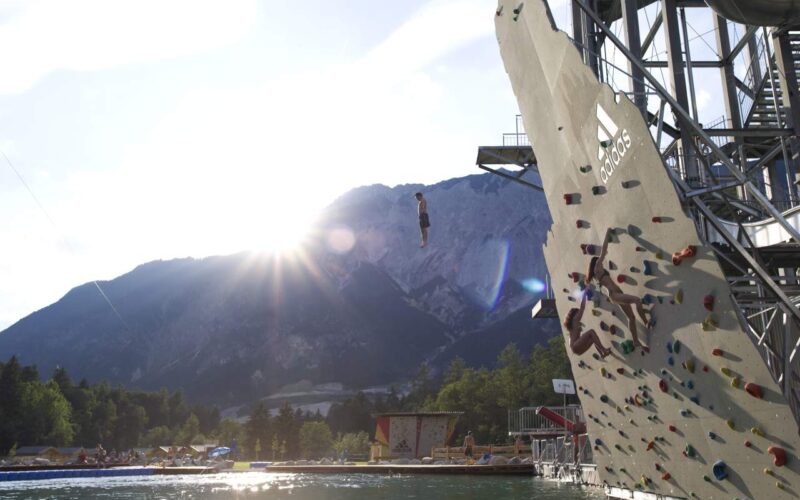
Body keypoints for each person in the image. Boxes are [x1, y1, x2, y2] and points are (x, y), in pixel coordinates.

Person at [586, 227, 653, 351]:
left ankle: (636, 342)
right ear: (596, 263)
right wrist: (607, 232)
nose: (601, 261)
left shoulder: (597, 273)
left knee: (631, 318)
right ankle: (646, 322)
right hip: (614, 295)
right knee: (637, 300)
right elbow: (604, 250)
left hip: (616, 294)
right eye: (599, 261)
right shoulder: (597, 267)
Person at [564, 290, 612, 358]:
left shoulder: (573, 324)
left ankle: (602, 354)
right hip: (575, 346)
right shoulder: (575, 320)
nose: (579, 315)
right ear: (574, 315)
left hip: (576, 350)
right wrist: (584, 294)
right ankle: (603, 350)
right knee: (591, 332)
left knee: (592, 339)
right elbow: (582, 308)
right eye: (578, 313)